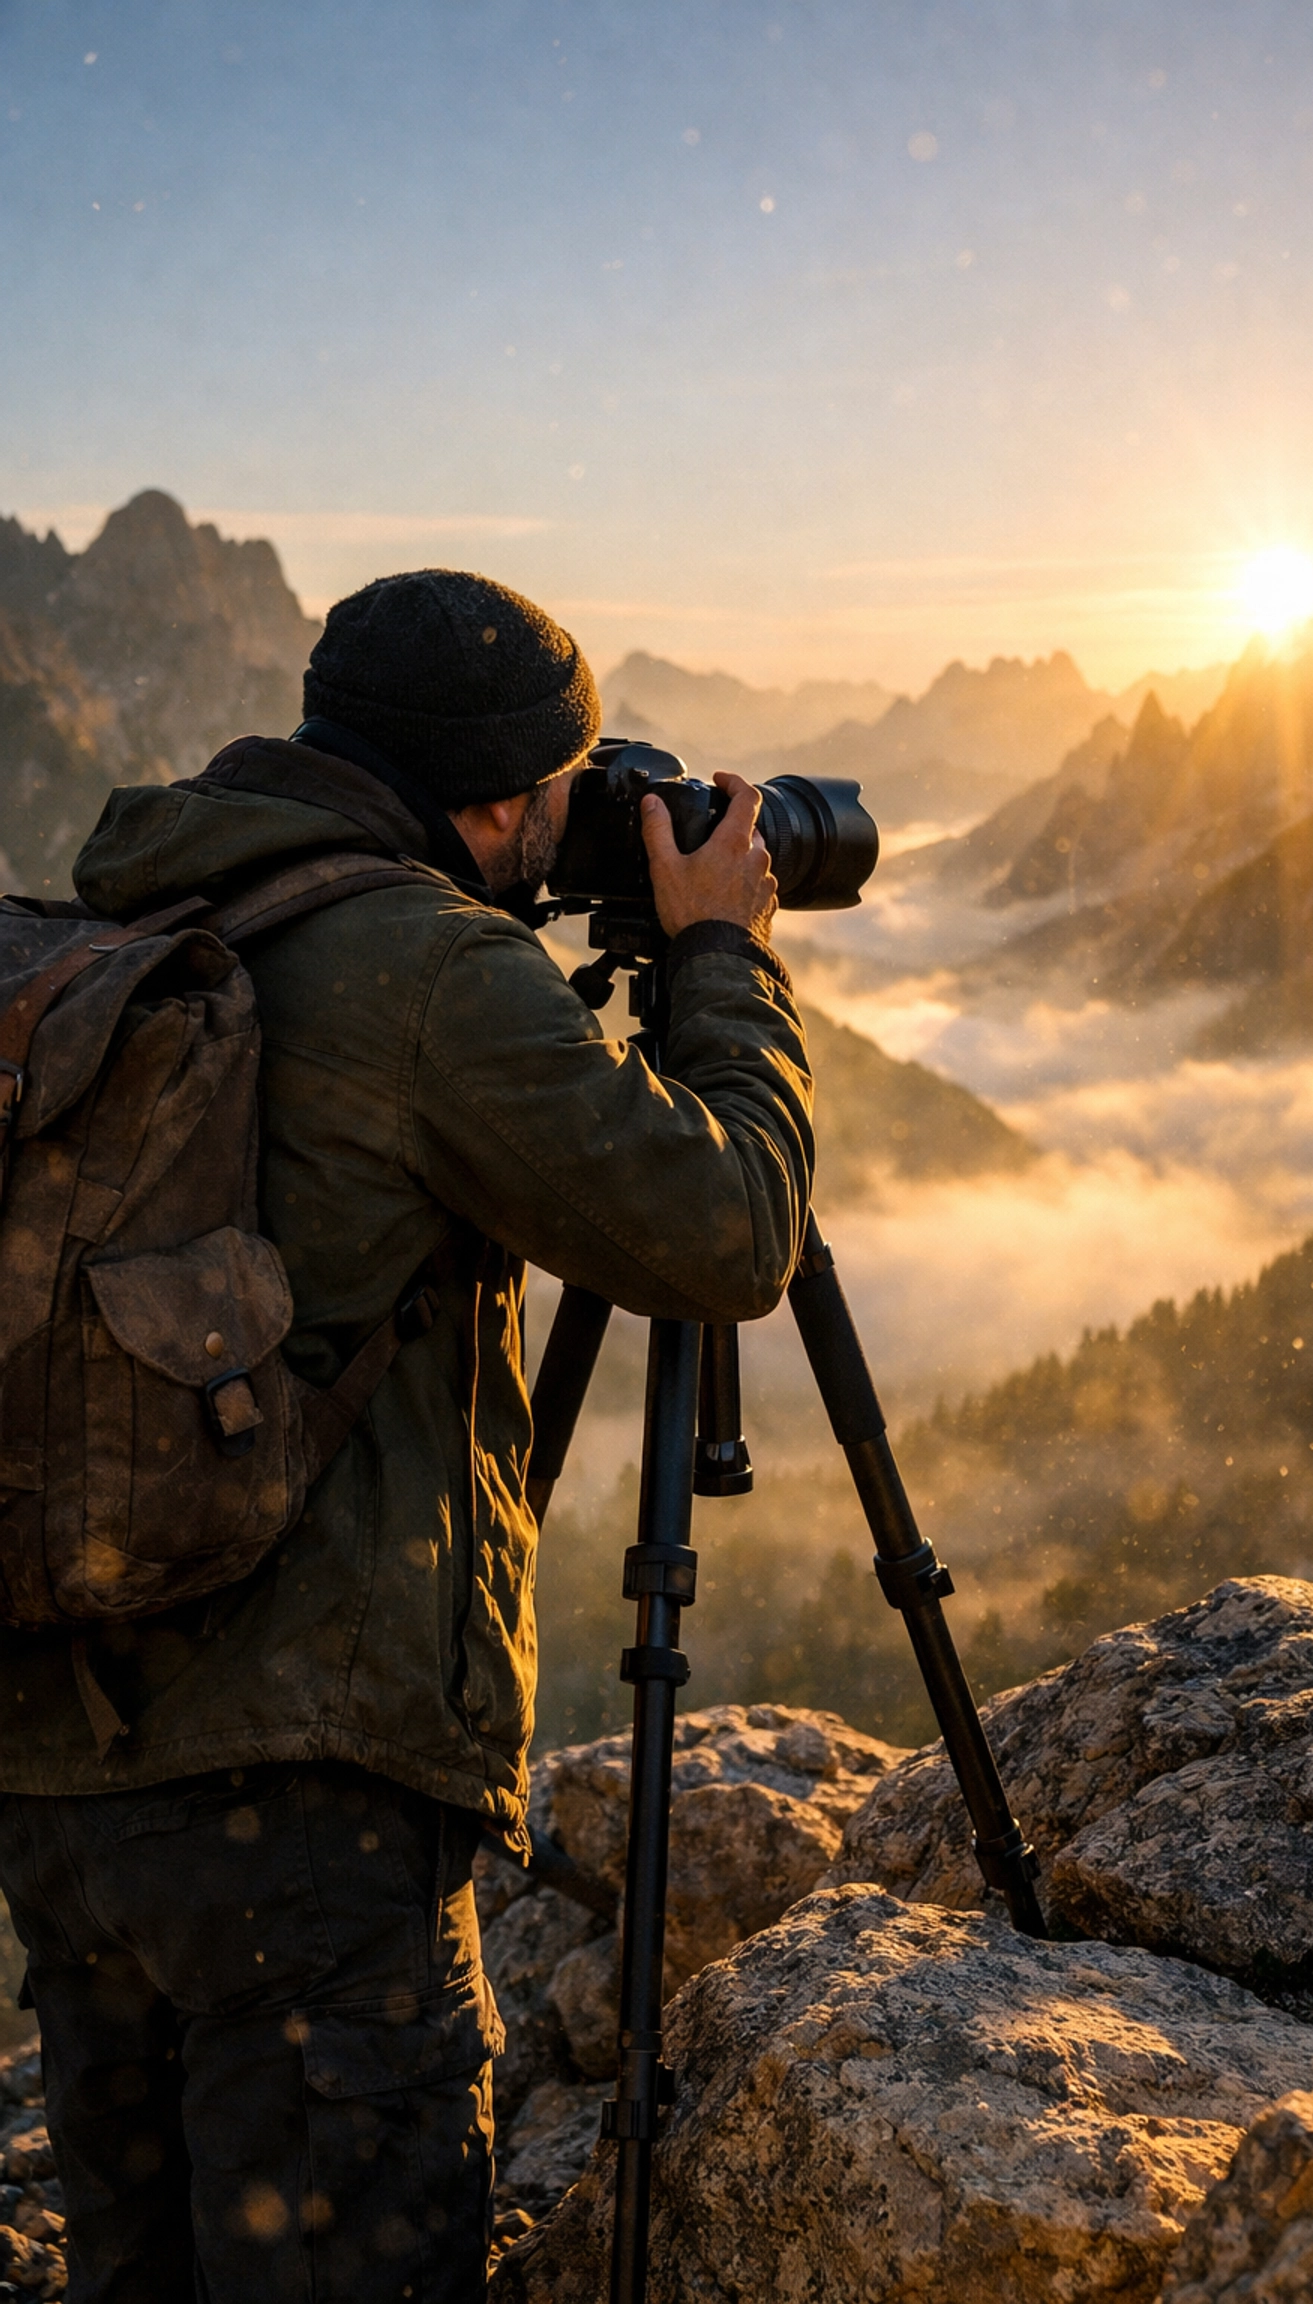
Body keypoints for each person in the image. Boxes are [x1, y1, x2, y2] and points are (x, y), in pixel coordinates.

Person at [0, 571, 813, 2303]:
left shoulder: (140, 899)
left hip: (64, 1775)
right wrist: (724, 961)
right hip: (299, 1826)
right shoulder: (432, 969)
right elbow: (730, 1230)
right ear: (505, 800)